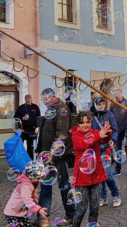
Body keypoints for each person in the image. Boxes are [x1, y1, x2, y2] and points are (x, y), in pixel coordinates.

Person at [35, 89, 75, 226]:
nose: (44, 102)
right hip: (47, 155)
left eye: (46, 99)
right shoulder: (51, 109)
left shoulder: (61, 109)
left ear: (53, 97)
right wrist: (39, 150)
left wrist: (52, 153)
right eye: (43, 100)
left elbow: (61, 134)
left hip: (58, 155)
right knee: (45, 185)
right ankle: (43, 217)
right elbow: (44, 133)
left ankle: (71, 214)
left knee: (64, 185)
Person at [71, 111, 112, 227]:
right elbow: (83, 144)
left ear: (91, 123)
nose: (85, 125)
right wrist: (99, 135)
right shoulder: (75, 135)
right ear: (78, 124)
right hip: (82, 178)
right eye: (82, 122)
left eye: (87, 122)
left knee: (95, 208)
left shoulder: (94, 133)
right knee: (82, 208)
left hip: (96, 176)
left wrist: (107, 132)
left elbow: (103, 139)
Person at [90, 97, 121, 208]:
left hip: (106, 147)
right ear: (95, 105)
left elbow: (115, 129)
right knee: (99, 174)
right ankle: (103, 197)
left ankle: (116, 195)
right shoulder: (91, 116)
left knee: (106, 173)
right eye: (99, 104)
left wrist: (114, 139)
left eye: (103, 103)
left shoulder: (109, 114)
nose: (101, 105)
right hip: (95, 148)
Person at [4, 161, 47, 227]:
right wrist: (38, 209)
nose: (40, 180)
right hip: (12, 213)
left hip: (21, 212)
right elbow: (27, 200)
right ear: (31, 176)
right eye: (38, 178)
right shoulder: (26, 185)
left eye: (41, 177)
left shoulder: (31, 183)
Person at [109, 89, 127, 177]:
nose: (116, 96)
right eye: (115, 94)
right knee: (117, 150)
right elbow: (110, 116)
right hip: (116, 130)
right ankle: (117, 170)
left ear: (121, 94)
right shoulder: (113, 104)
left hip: (126, 129)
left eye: (117, 94)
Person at [15, 95, 41, 159]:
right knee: (20, 145)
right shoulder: (21, 107)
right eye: (26, 99)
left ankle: (30, 159)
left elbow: (38, 118)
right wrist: (22, 118)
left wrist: (37, 127)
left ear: (31, 99)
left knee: (30, 146)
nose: (27, 100)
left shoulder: (35, 107)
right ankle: (20, 158)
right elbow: (15, 117)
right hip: (23, 129)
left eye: (28, 99)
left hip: (32, 129)